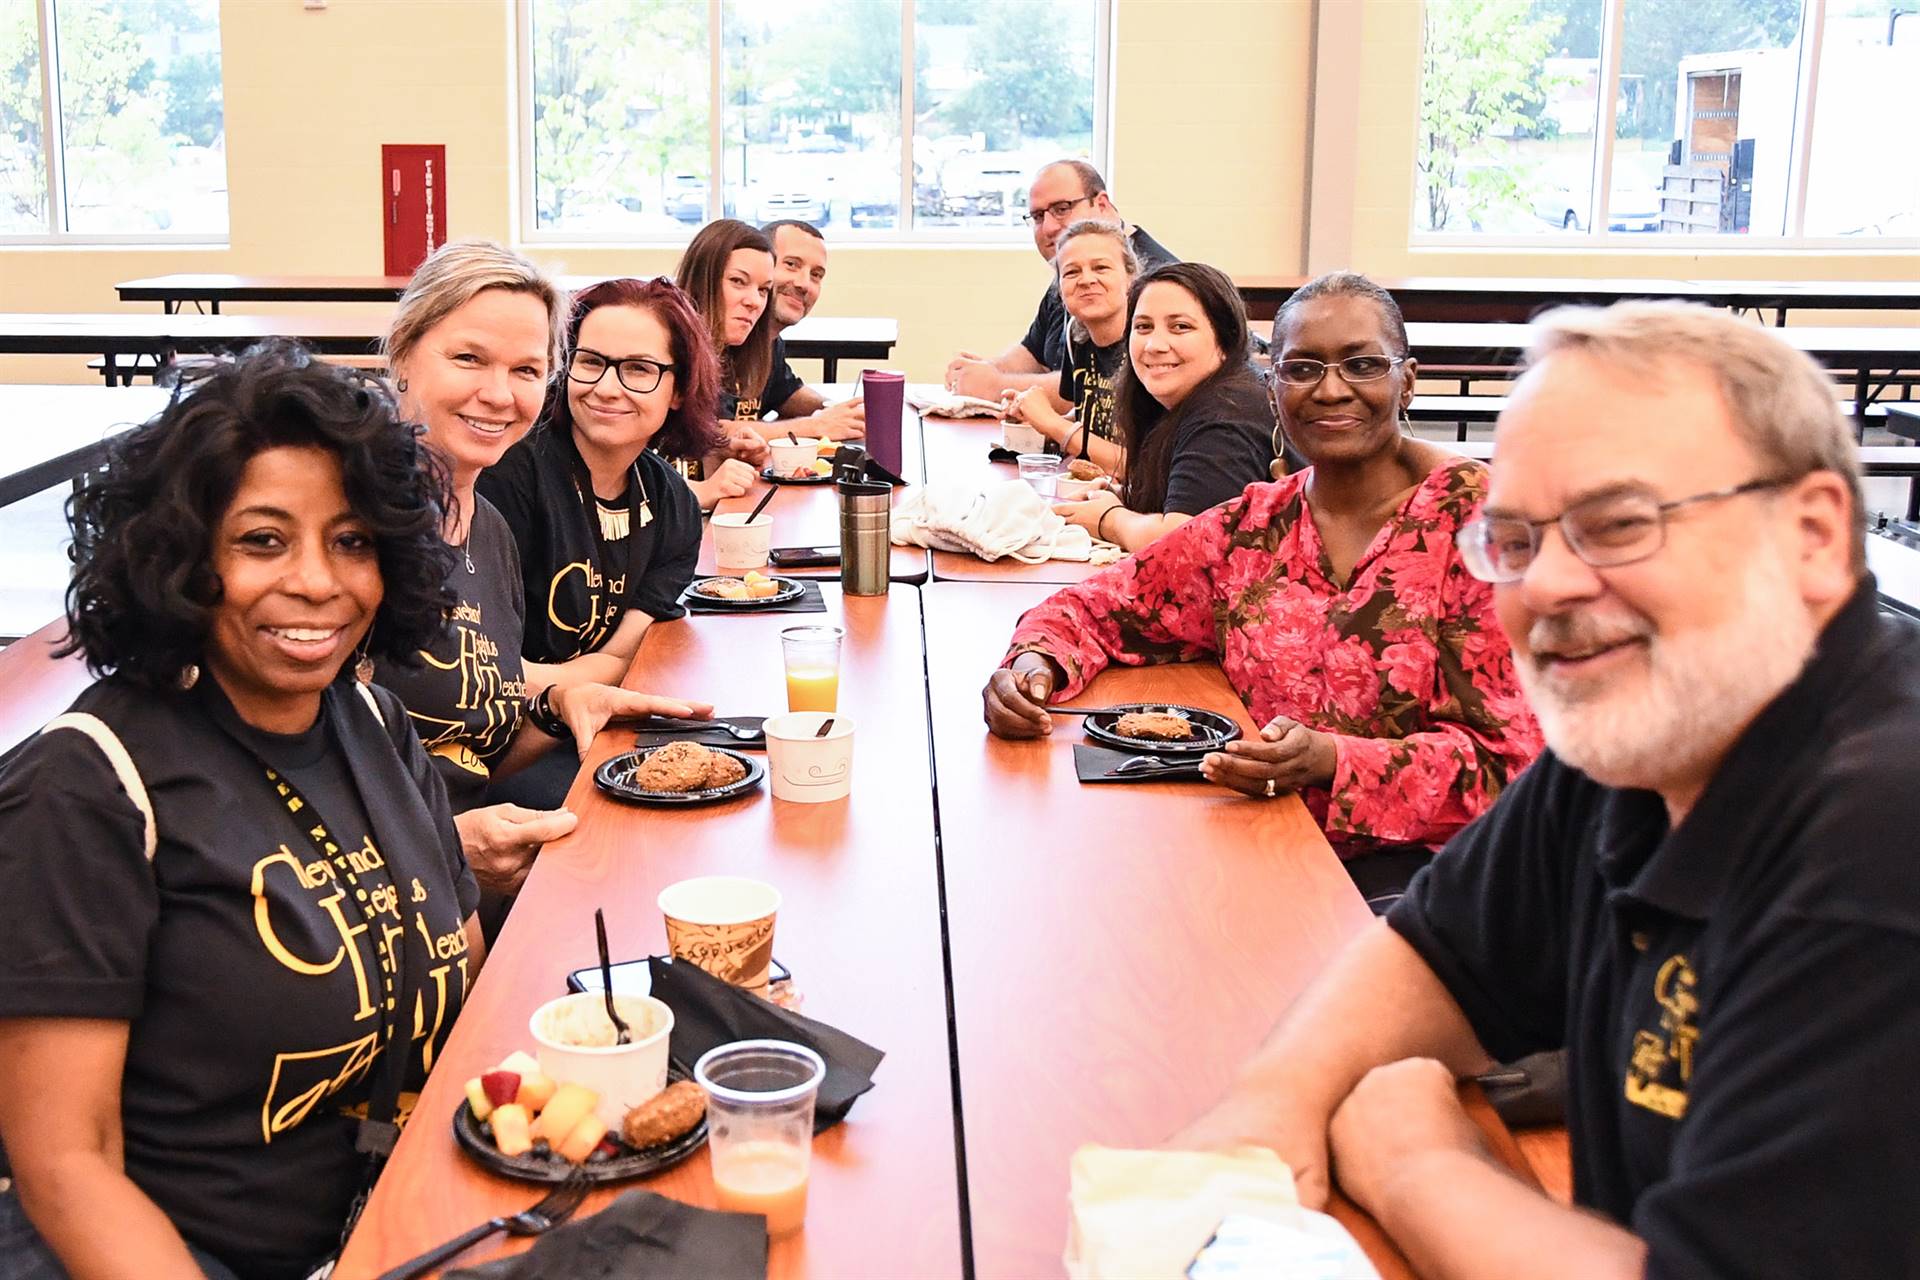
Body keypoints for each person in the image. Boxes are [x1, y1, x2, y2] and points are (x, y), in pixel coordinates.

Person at [1173, 302, 1920, 1277]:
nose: (1548, 588)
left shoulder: (1878, 843)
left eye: (1617, 524)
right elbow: (1438, 950)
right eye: (1515, 541)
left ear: (1814, 535)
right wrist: (1276, 1091)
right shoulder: (1653, 734)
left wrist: (1419, 1156)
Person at [0, 344, 480, 1280]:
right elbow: (66, 1166)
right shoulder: (86, 788)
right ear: (183, 557)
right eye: (263, 540)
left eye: (351, 541)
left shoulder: (375, 723)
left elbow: (465, 994)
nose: (316, 581)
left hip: (393, 1233)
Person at [983, 273, 1541, 896]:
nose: (1330, 390)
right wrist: (1033, 665)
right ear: (1271, 386)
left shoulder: (1478, 526)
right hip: (1263, 842)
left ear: (1405, 380)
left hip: (1424, 882)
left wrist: (1330, 761)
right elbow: (1102, 605)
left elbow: (1508, 766)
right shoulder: (1256, 525)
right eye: (1301, 368)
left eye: (1361, 365)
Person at [378, 242, 712, 904]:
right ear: (404, 357)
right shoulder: (358, 528)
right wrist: (447, 846)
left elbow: (477, 738)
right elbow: (295, 776)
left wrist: (556, 707)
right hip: (389, 887)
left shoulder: (487, 533)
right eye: (468, 358)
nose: (498, 394)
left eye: (526, 368)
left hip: (458, 863)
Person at [478, 275, 715, 682]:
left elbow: (621, 658)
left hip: (588, 723)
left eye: (639, 369)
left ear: (679, 390)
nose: (606, 388)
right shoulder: (508, 473)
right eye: (591, 362)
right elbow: (490, 673)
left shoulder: (674, 507)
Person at [1048, 262, 1276, 554]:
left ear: (1225, 338)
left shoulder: (1228, 415)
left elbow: (1182, 544)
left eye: (1180, 327)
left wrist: (1110, 520)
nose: (1155, 344)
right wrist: (1122, 499)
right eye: (1143, 327)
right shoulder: (1186, 397)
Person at [946, 159, 1175, 407]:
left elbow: (1102, 388)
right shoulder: (1073, 258)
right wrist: (981, 372)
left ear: (1102, 205)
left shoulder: (1157, 283)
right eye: (1036, 216)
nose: (1049, 227)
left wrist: (997, 386)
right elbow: (1034, 352)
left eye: (1062, 208)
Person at [999, 218, 1137, 477]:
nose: (1086, 280)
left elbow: (1137, 466)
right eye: (1072, 272)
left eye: (1101, 268)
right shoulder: (1077, 334)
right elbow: (1094, 421)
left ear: (1130, 278)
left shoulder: (1147, 347)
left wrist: (1053, 424)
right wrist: (1037, 421)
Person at [670, 218, 779, 508]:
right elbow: (619, 480)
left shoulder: (725, 356)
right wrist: (704, 490)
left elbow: (682, 457)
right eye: (738, 282)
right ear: (701, 280)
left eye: (764, 289)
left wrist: (722, 452)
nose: (754, 301)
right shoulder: (663, 355)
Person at [758, 218, 865, 441]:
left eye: (816, 275)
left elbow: (785, 394)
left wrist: (841, 411)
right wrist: (816, 425)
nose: (804, 284)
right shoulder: (721, 337)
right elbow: (715, 432)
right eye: (791, 264)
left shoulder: (769, 339)